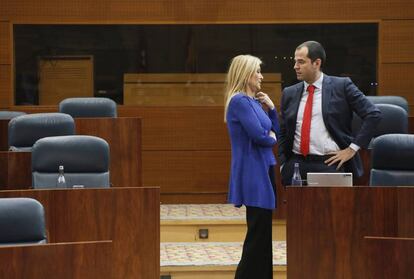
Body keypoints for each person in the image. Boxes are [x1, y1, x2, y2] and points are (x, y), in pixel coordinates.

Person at [278, 41, 381, 186]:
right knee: (296, 209)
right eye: (295, 61)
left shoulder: (342, 86)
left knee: (329, 208)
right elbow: (283, 130)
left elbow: (373, 114)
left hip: (329, 163)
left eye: (301, 62)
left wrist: (352, 149)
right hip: (296, 164)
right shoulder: (289, 93)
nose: (295, 66)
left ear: (317, 63)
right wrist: (283, 163)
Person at [224, 54, 280, 279]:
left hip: (264, 167)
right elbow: (260, 135)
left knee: (264, 232)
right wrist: (272, 137)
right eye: (257, 71)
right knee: (257, 234)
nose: (261, 76)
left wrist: (272, 108)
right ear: (246, 74)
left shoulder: (255, 102)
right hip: (252, 171)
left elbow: (274, 128)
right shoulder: (238, 101)